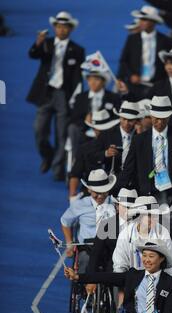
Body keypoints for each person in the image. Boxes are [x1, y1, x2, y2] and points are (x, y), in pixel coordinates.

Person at [27, 11, 85, 180]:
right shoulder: (46, 44)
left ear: (71, 29)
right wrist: (37, 44)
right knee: (39, 130)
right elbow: (33, 54)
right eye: (59, 27)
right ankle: (48, 155)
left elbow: (77, 77)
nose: (62, 30)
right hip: (45, 93)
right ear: (54, 28)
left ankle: (57, 169)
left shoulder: (78, 50)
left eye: (65, 27)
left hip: (63, 95)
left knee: (61, 134)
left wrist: (76, 98)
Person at [60, 169, 116, 272]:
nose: (100, 196)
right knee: (85, 263)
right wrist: (70, 244)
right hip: (87, 248)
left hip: (110, 249)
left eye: (103, 192)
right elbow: (65, 222)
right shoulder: (80, 205)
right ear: (89, 190)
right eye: (96, 193)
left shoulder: (116, 204)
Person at [117, 6, 172, 99]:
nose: (141, 22)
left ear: (153, 22)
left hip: (157, 87)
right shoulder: (132, 39)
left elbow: (169, 63)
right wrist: (131, 75)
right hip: (135, 87)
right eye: (140, 19)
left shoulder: (164, 40)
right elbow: (124, 61)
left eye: (144, 19)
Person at [112, 196, 172, 275]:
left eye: (155, 215)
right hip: (130, 281)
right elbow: (120, 266)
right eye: (148, 215)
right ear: (139, 217)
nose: (153, 218)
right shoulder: (125, 235)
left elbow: (169, 262)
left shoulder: (163, 232)